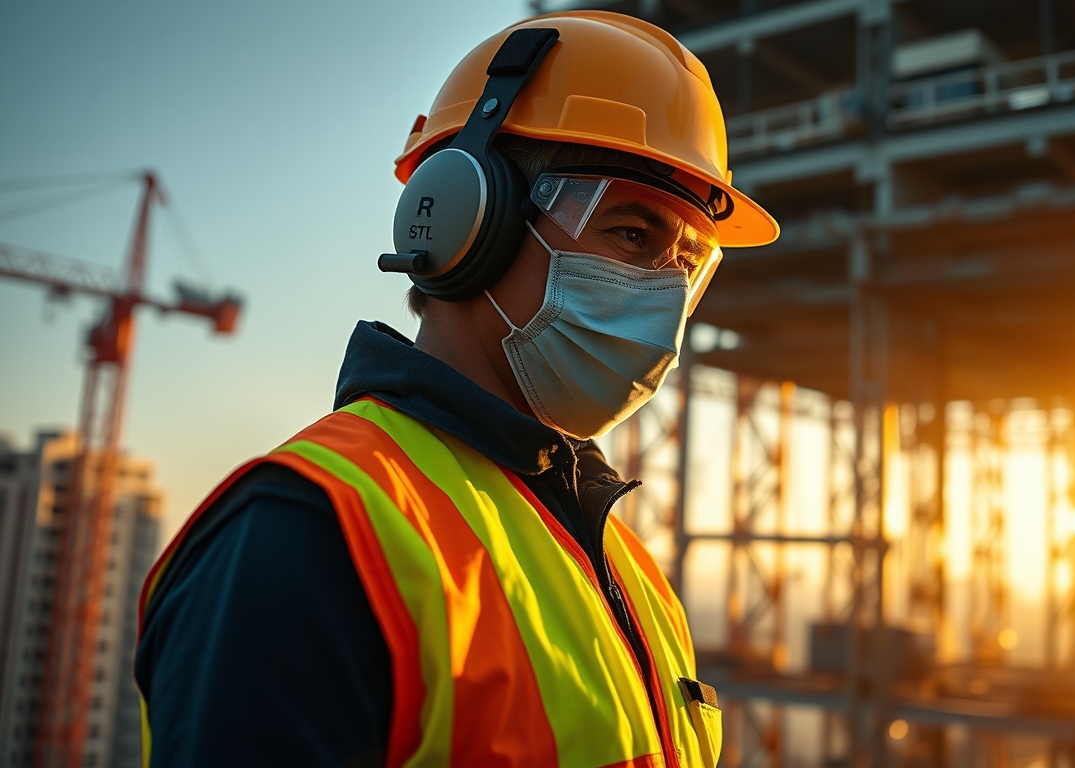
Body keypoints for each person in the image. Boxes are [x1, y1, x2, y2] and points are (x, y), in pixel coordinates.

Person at [134, 10, 777, 768]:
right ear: (469, 216)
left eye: (689, 262)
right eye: (632, 234)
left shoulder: (627, 569)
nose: (664, 293)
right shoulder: (309, 534)